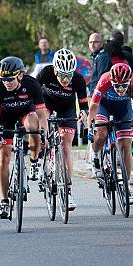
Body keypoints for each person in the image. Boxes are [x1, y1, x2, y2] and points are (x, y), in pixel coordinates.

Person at [0, 56, 48, 219]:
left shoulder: (31, 84)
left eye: (9, 78)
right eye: (3, 78)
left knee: (33, 127)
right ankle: (5, 201)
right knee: (3, 159)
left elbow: (42, 113)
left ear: (20, 75)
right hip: (5, 119)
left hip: (25, 113)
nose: (6, 82)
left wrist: (45, 134)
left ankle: (34, 161)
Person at [36, 48, 89, 210]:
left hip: (67, 109)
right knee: (41, 129)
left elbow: (84, 105)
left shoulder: (78, 79)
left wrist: (84, 114)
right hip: (47, 104)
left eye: (69, 75)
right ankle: (39, 160)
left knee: (66, 146)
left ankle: (67, 190)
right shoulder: (45, 73)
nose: (65, 79)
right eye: (62, 75)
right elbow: (34, 95)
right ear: (54, 70)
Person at [87, 63, 133, 205]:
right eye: (116, 85)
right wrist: (90, 127)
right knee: (101, 134)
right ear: (111, 81)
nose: (120, 89)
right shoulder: (104, 79)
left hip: (123, 110)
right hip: (104, 107)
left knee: (126, 146)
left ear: (129, 81)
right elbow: (93, 106)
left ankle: (127, 187)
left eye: (123, 86)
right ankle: (94, 155)